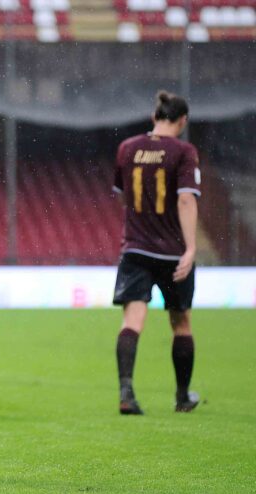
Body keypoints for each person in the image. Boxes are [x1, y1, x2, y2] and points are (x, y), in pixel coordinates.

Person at [111, 91, 201, 415]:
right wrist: (190, 248)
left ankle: (126, 392)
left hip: (135, 248)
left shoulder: (128, 148)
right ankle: (181, 397)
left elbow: (122, 197)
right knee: (180, 323)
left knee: (133, 320)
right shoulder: (184, 151)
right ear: (183, 120)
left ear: (154, 117)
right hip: (172, 252)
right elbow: (186, 199)